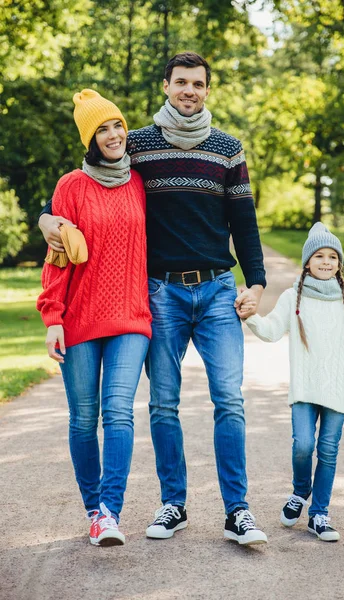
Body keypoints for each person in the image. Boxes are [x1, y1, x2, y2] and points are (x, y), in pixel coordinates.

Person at [38, 52, 268, 545]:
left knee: (229, 400)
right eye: (180, 82)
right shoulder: (138, 143)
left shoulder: (229, 149)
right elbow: (85, 179)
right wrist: (46, 218)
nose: (189, 90)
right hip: (161, 292)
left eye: (198, 83)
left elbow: (244, 224)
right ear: (166, 85)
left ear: (208, 89)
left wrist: (258, 283)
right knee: (163, 404)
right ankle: (173, 504)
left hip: (218, 291)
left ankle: (238, 511)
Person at [37, 90, 152, 547]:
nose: (113, 135)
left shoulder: (140, 183)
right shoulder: (71, 186)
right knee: (84, 418)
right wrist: (53, 317)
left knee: (118, 412)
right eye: (101, 129)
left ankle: (109, 511)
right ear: (90, 138)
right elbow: (57, 257)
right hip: (80, 319)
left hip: (131, 318)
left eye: (117, 125)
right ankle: (92, 508)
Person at [242, 222, 344, 542]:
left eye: (332, 256)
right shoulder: (293, 297)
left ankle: (319, 513)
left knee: (327, 451)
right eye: (319, 256)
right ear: (307, 262)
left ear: (339, 263)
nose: (326, 261)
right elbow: (273, 330)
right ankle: (300, 492)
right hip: (305, 387)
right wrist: (250, 317)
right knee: (303, 445)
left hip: (338, 391)